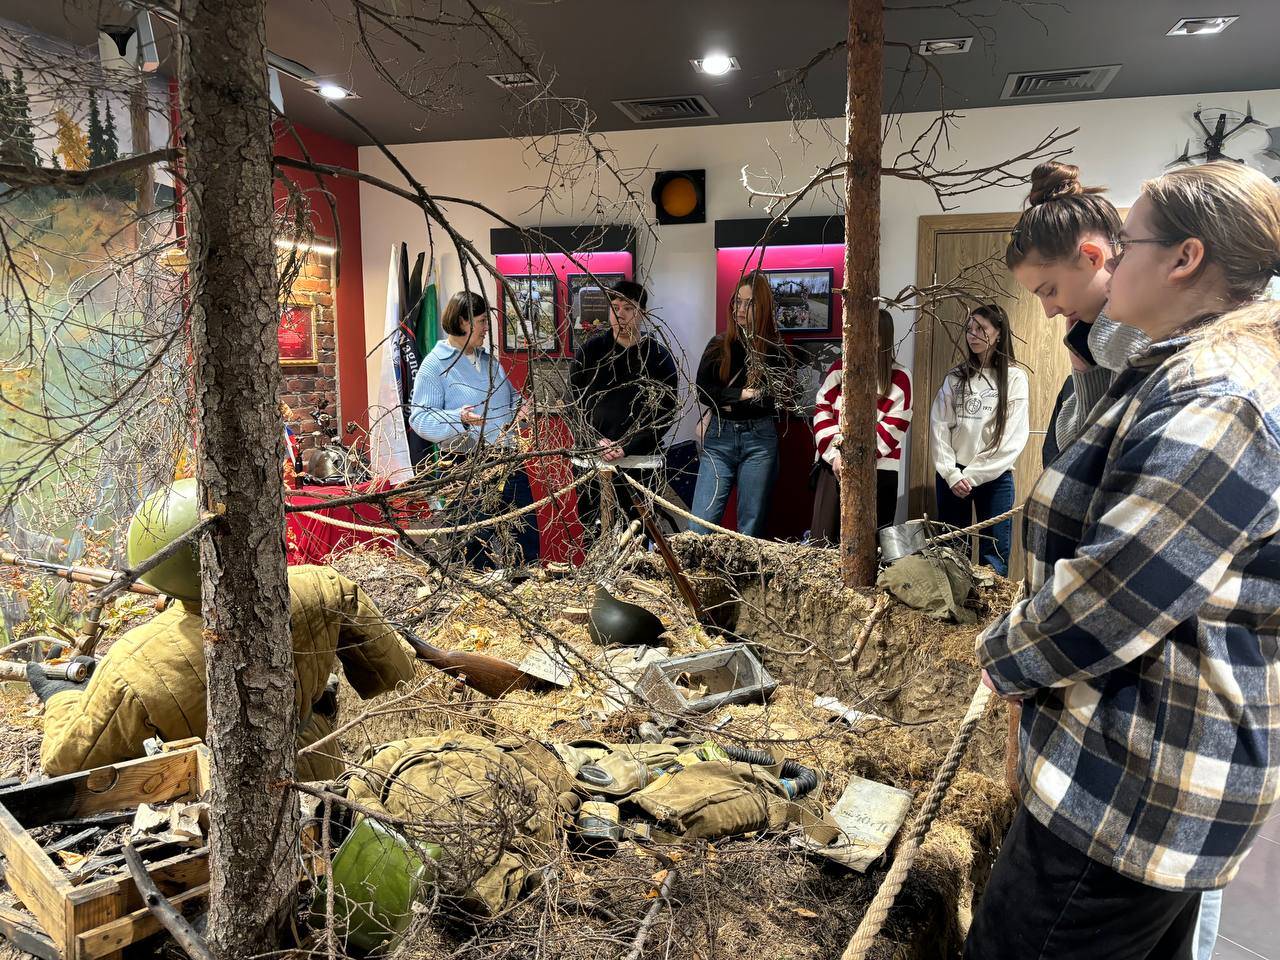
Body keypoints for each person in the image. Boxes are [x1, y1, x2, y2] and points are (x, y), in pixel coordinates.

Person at [968, 161, 1280, 960]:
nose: (1113, 260)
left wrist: (1000, 654)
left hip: (1133, 787)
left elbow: (1113, 596)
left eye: (1128, 242)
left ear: (1184, 259)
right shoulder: (1180, 372)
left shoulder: (1220, 396)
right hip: (1136, 767)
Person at [26, 479, 415, 781]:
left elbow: (65, 761)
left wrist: (63, 697)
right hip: (322, 766)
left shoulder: (133, 664)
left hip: (227, 802)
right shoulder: (324, 586)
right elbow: (394, 675)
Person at [1006, 160, 1151, 460]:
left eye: (1050, 290)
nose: (1049, 311)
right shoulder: (1102, 336)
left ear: (1092, 257)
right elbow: (1075, 448)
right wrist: (1085, 368)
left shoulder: (1149, 322)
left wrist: (1099, 338)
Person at [409, 290, 539, 568]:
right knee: (474, 550)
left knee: (526, 540)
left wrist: (523, 410)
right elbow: (419, 418)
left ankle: (525, 589)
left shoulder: (489, 362)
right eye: (481, 321)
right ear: (462, 322)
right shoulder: (435, 365)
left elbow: (511, 400)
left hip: (508, 461)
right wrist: (459, 419)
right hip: (465, 467)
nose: (486, 328)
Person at [565, 279, 679, 539]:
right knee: (594, 536)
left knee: (637, 538)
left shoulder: (658, 356)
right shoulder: (590, 351)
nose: (620, 315)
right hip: (592, 460)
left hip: (641, 463)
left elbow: (665, 413)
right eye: (615, 307)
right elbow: (574, 405)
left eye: (628, 308)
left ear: (643, 313)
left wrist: (627, 445)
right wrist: (595, 441)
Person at [690, 271, 794, 537]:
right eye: (737, 301)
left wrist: (727, 398)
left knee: (750, 527)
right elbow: (703, 391)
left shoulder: (774, 350)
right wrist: (741, 395)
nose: (740, 308)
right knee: (700, 524)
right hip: (720, 436)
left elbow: (770, 400)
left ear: (763, 307)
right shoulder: (719, 345)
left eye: (749, 303)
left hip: (758, 438)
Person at [928, 304, 1028, 576]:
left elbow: (1011, 439)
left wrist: (972, 476)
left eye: (981, 329)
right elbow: (939, 427)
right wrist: (951, 473)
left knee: (993, 557)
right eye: (969, 329)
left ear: (998, 333)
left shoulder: (1014, 378)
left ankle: (988, 604)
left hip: (994, 477)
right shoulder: (955, 377)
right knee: (952, 554)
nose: (972, 335)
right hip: (952, 476)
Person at [809, 309, 912, 542]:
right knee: (825, 542)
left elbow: (893, 427)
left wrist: (853, 457)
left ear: (881, 337)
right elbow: (822, 410)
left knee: (870, 545)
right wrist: (837, 454)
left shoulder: (900, 377)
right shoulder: (839, 368)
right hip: (833, 467)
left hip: (879, 471)